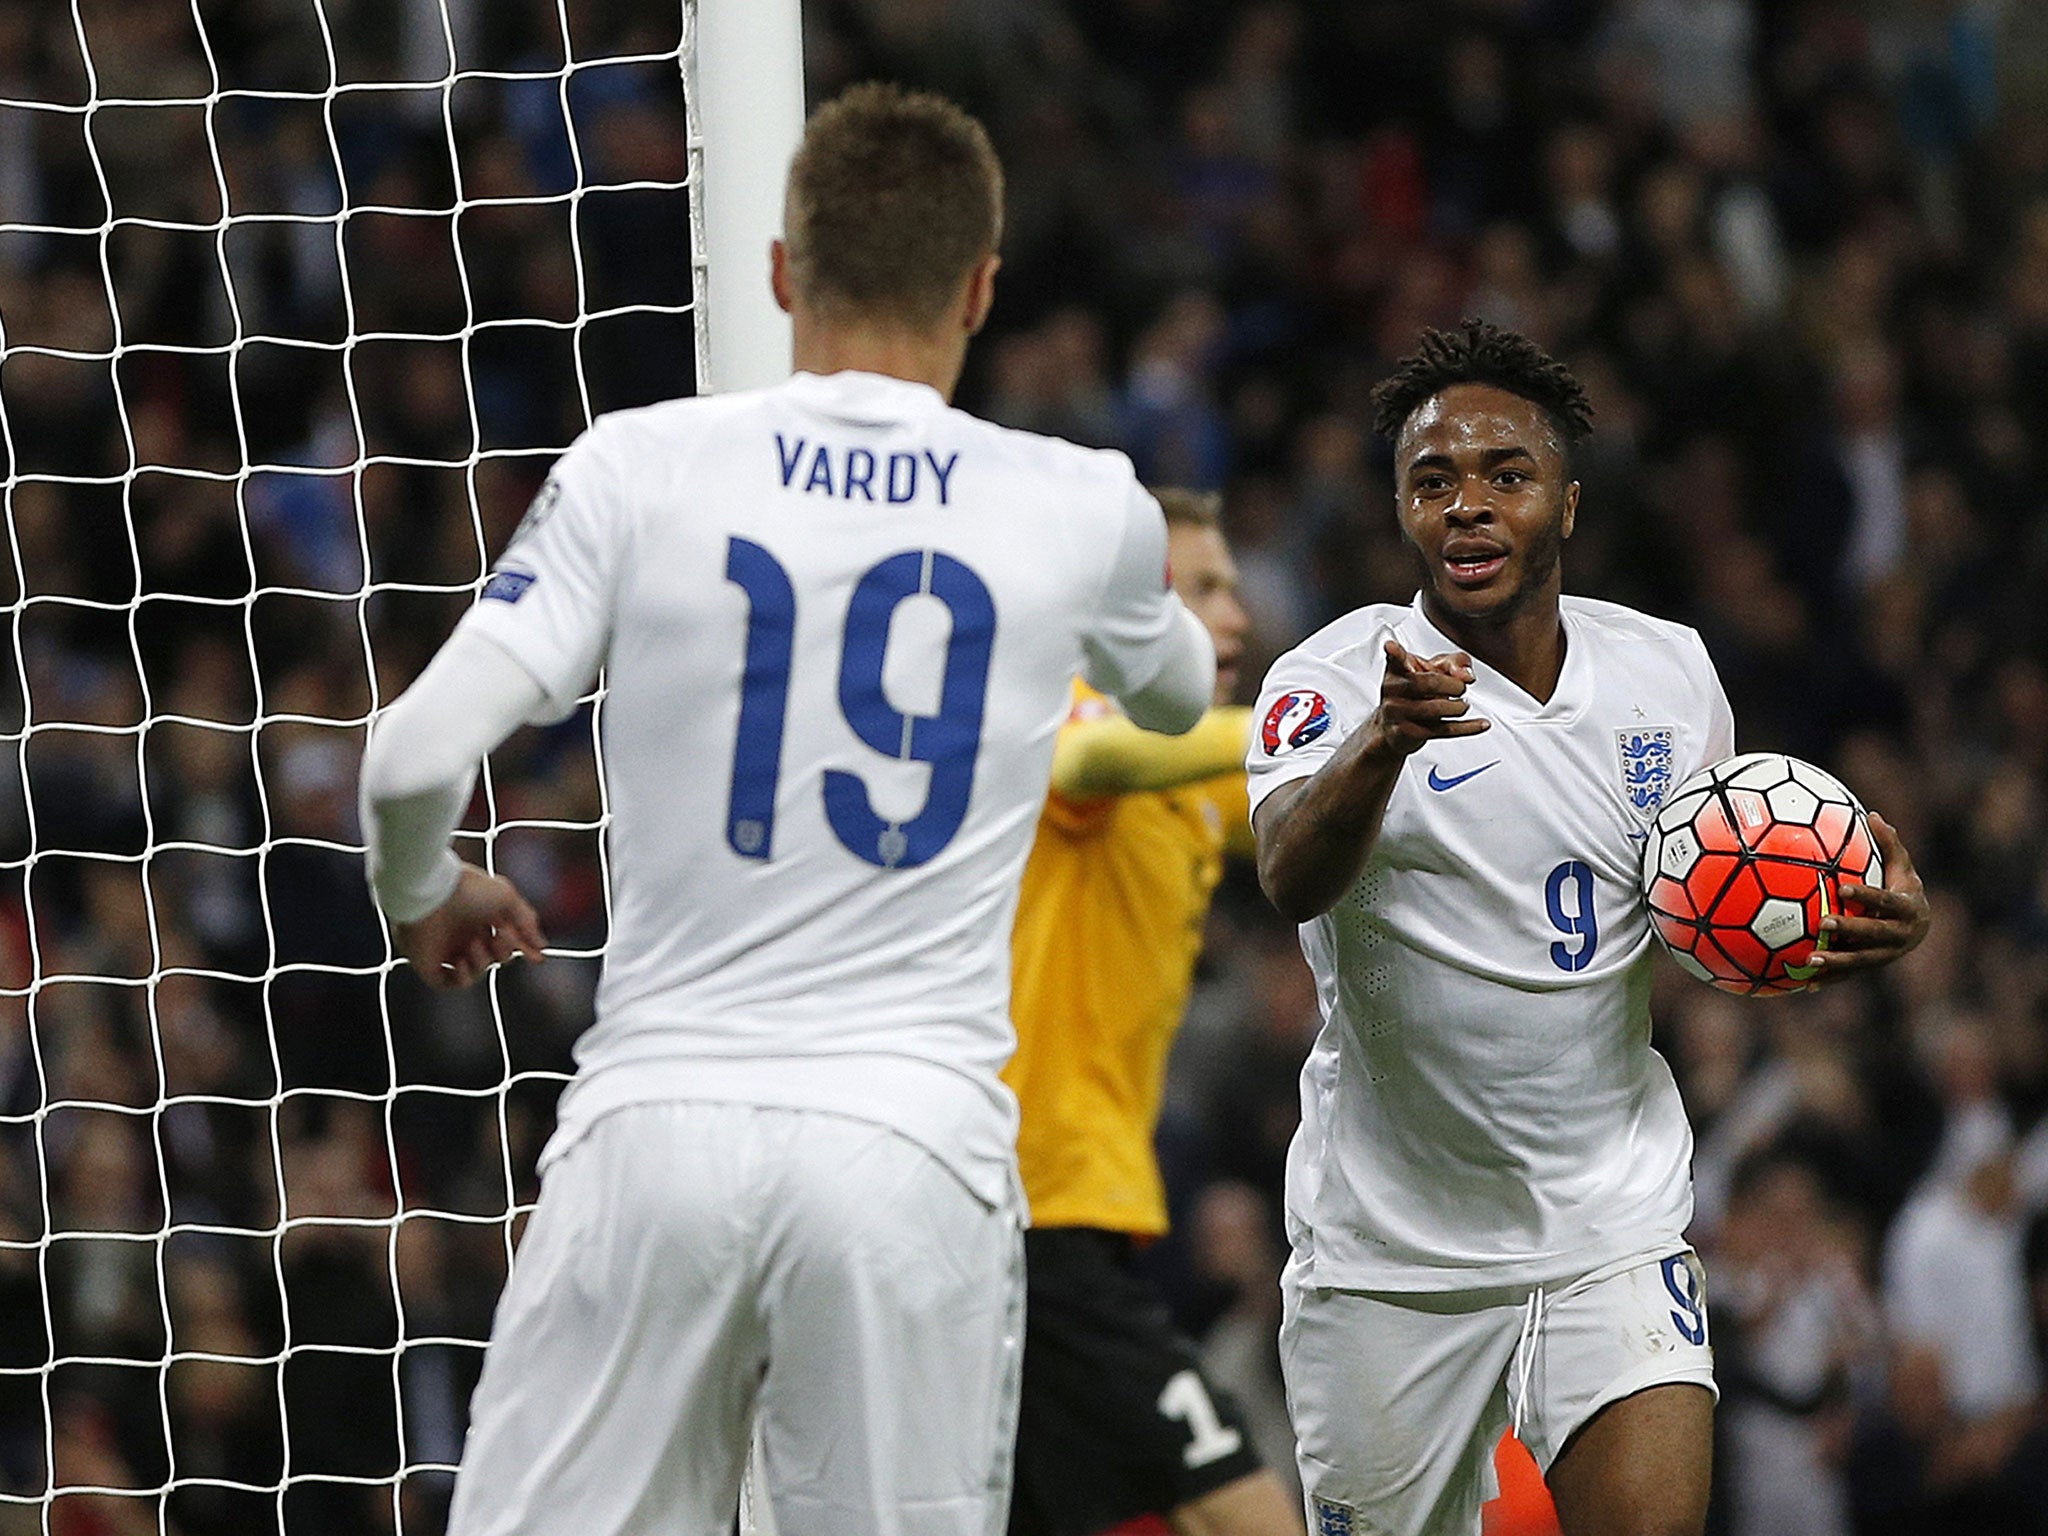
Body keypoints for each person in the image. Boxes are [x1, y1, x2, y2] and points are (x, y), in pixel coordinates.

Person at [356, 83, 1216, 1536]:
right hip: (909, 1150)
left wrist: (422, 888)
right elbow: (1182, 697)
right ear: (983, 289)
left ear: (777, 272)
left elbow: (403, 763)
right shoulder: (1084, 502)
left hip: (658, 1127)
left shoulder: (641, 464)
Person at [1244, 320, 1930, 1536]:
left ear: (1565, 502)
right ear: (1401, 511)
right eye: (1431, 482)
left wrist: (1841, 921)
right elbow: (1289, 874)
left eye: (1503, 475)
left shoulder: (1665, 673)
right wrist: (1383, 747)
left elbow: (1698, 915)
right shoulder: (1332, 681)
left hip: (1606, 1224)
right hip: (1390, 1261)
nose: (1465, 506)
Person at [1002, 489, 1301, 1536]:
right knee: (1248, 1512)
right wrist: (1299, 720)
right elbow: (1097, 761)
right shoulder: (1066, 708)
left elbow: (1306, 806)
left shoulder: (1190, 775)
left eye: (1231, 586)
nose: (1235, 615)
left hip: (1073, 1222)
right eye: (1200, 587)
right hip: (1028, 1213)